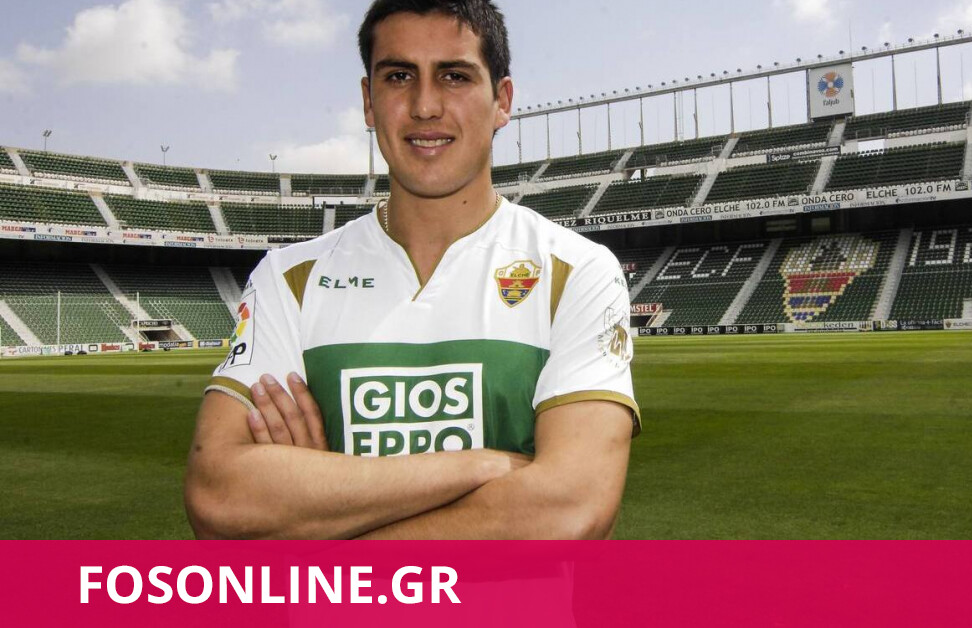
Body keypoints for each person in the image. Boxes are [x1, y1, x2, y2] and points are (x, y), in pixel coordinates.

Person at [184, 0, 639, 539]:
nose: (425, 106)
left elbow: (568, 510)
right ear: (368, 101)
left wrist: (320, 518)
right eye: (399, 76)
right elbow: (218, 495)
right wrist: (479, 466)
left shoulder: (577, 270)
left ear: (502, 100)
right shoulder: (287, 279)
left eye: (455, 76)